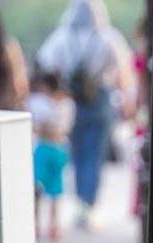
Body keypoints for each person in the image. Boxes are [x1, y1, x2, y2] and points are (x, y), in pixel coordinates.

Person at [37, 0, 135, 229]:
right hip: (99, 100)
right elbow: (123, 71)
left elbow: (47, 65)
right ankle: (89, 205)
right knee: (95, 155)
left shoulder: (61, 38)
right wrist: (127, 101)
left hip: (71, 102)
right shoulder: (109, 37)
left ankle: (81, 202)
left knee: (78, 154)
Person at [26, 72, 75, 242]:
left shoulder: (37, 103)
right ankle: (53, 226)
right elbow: (64, 129)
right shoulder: (68, 104)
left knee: (38, 188)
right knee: (55, 189)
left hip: (44, 148)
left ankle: (36, 225)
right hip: (59, 147)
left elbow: (37, 127)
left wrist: (44, 127)